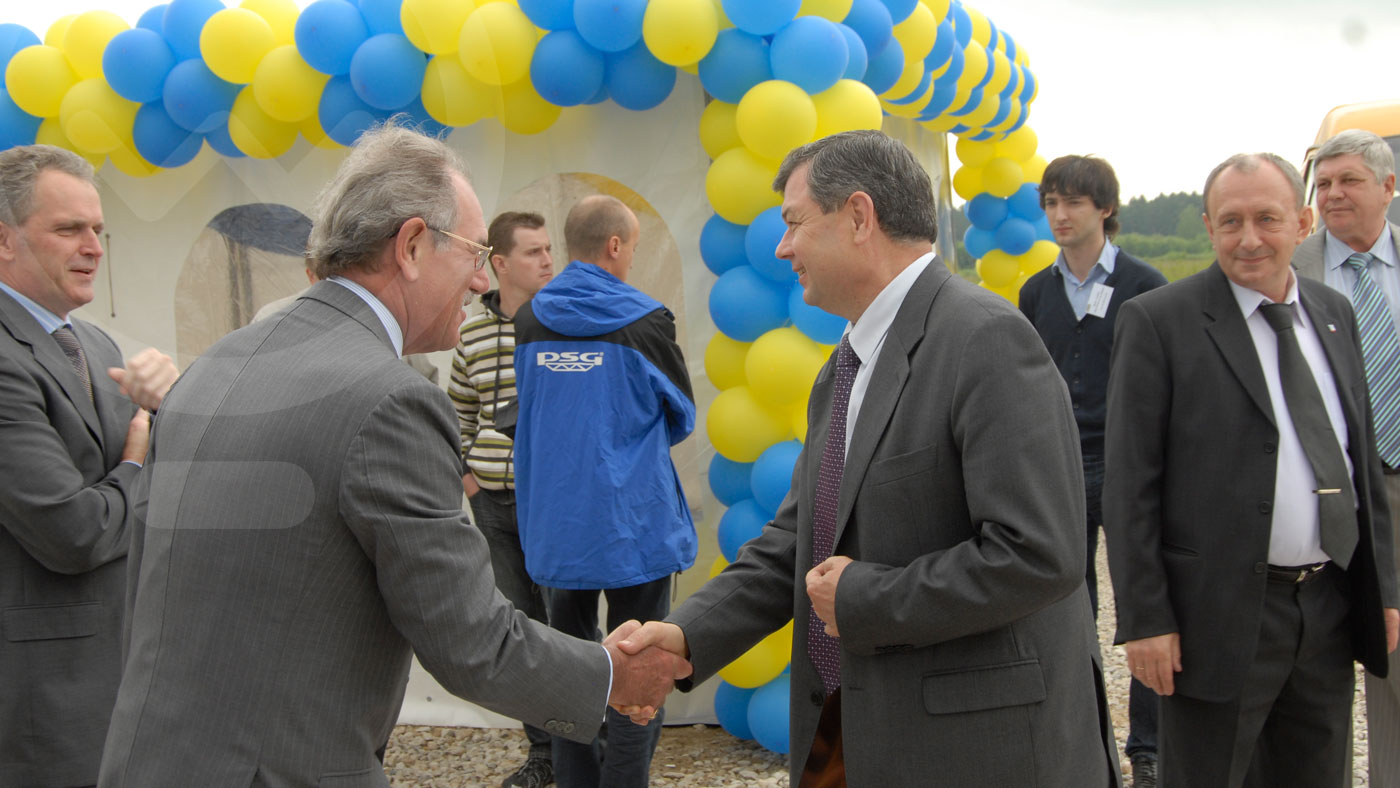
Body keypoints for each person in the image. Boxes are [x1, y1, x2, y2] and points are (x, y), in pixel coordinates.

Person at [95, 123, 689, 787]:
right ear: (409, 245)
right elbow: (471, 642)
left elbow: (149, 588)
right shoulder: (390, 401)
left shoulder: (212, 366)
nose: (476, 279)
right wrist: (613, 672)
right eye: (470, 252)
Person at [619, 130, 1117, 787]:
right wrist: (683, 640)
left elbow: (1039, 552)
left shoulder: (984, 338)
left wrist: (863, 596)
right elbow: (802, 540)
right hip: (856, 729)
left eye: (794, 223)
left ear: (858, 216)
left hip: (976, 750)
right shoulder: (846, 365)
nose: (782, 247)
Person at [1103, 152, 1400, 787]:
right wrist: (1147, 619)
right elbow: (1131, 485)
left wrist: (1386, 591)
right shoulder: (1159, 322)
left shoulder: (1332, 314)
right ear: (1209, 227)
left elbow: (1360, 463)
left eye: (1267, 218)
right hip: (1216, 617)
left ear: (1302, 220)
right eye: (1230, 220)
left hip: (1325, 608)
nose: (1249, 238)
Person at [0, 144, 177, 788]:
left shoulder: (92, 341)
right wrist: (138, 459)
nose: (95, 247)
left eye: (99, 229)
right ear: (3, 241)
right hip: (42, 704)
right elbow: (72, 532)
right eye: (69, 228)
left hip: (119, 677)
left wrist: (172, 408)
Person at [511, 195, 695, 788]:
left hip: (557, 526)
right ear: (615, 246)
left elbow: (529, 411)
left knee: (568, 667)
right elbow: (681, 414)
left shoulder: (529, 319)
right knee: (639, 666)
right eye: (634, 247)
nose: (633, 257)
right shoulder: (647, 320)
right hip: (632, 523)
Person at [1019, 154, 1166, 786]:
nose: (1059, 214)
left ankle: (1150, 749)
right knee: (1066, 601)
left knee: (1143, 603)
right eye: (1050, 202)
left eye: (1072, 202)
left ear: (1104, 208)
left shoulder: (1145, 284)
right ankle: (1082, 731)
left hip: (1131, 463)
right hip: (1059, 461)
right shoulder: (1035, 292)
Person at [1292, 129, 1400, 786]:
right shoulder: (1288, 267)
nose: (1332, 194)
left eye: (1348, 181)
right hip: (1320, 499)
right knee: (1315, 668)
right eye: (1323, 182)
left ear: (1389, 187)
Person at [449, 210, 556, 788]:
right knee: (517, 627)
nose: (548, 261)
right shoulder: (469, 331)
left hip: (556, 504)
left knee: (566, 626)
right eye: (535, 252)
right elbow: (459, 412)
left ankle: (586, 744)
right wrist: (471, 477)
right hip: (494, 505)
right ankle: (543, 754)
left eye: (548, 249)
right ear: (499, 263)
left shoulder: (566, 321)